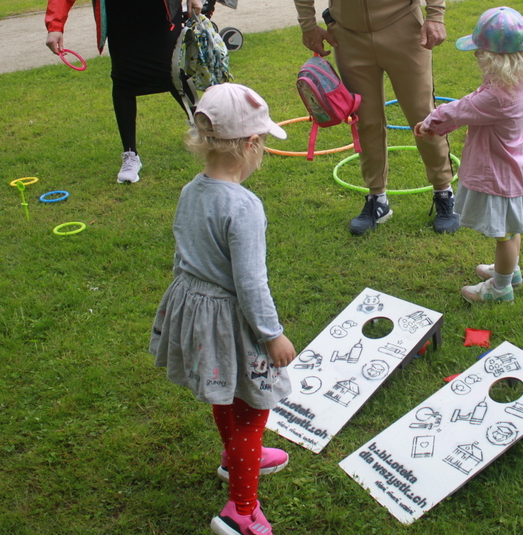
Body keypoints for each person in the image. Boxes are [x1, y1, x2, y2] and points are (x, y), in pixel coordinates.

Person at [149, 83, 295, 535]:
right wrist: (272, 335)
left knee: (225, 391)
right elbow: (251, 283)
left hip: (193, 307)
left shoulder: (191, 190)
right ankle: (242, 510)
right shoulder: (244, 207)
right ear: (251, 145)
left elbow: (182, 253)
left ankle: (236, 460)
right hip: (231, 319)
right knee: (254, 408)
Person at [294, 0, 460, 235]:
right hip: (348, 33)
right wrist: (308, 25)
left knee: (422, 115)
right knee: (366, 120)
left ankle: (444, 192)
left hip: (402, 26)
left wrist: (435, 15)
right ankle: (377, 198)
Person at [415, 6, 523, 303]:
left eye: (480, 54)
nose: (476, 58)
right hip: (513, 167)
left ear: (493, 61)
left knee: (504, 235)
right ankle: (509, 272)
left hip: (499, 173)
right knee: (511, 230)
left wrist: (430, 124)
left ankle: (500, 288)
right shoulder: (514, 83)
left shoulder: (496, 96)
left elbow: (459, 109)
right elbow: (469, 110)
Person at [45, 0, 203, 184]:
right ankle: (130, 154)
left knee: (173, 72)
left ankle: (203, 127)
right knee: (124, 79)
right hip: (120, 15)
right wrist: (55, 26)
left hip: (160, 13)